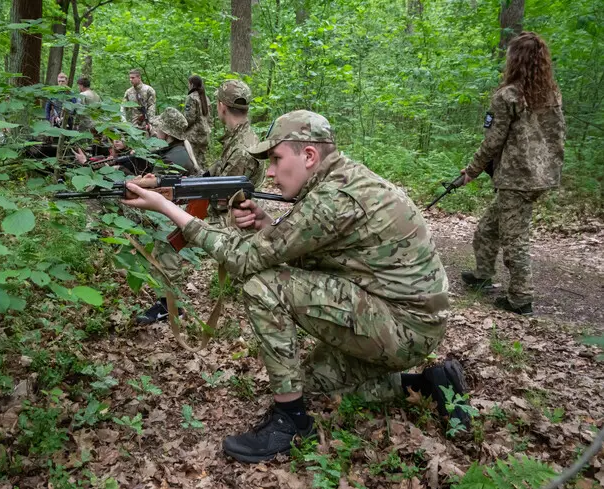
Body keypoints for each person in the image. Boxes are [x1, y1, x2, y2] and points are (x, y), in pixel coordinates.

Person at [121, 110, 469, 463]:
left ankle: (290, 421)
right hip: (405, 319)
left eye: (275, 158)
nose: (269, 172)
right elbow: (324, 252)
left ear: (308, 156)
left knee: (263, 285)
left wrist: (168, 208)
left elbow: (242, 260)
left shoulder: (334, 198)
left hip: (402, 326)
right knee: (315, 386)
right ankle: (429, 384)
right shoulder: (345, 180)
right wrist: (267, 225)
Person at [134, 80, 263, 325]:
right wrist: (163, 183)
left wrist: (178, 201)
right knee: (169, 220)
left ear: (221, 106)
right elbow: (210, 176)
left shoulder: (242, 148)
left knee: (166, 239)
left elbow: (222, 197)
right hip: (223, 209)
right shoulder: (238, 139)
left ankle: (168, 305)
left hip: (231, 218)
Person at [459, 32, 565, 316]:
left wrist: (471, 171)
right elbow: (558, 135)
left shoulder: (507, 96)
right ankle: (482, 274)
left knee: (514, 238)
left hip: (517, 179)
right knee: (488, 228)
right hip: (541, 176)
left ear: (515, 60)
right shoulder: (550, 93)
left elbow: (493, 140)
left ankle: (521, 299)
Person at [183, 75, 212, 168]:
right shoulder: (205, 98)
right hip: (205, 134)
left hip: (194, 135)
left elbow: (189, 118)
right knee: (202, 162)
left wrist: (182, 128)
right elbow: (209, 117)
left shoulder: (191, 97)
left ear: (192, 84)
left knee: (192, 162)